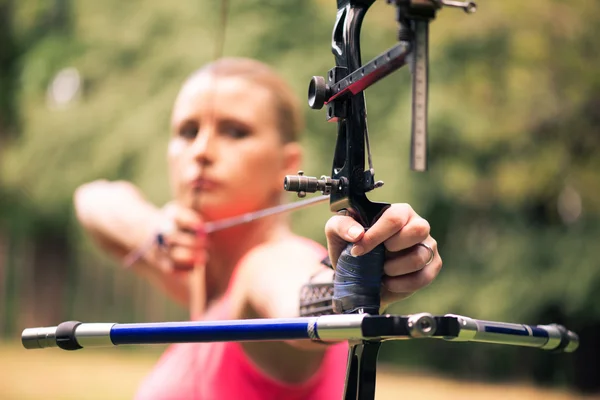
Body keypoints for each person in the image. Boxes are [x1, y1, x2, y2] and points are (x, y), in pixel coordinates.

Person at [73, 57, 442, 400]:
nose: (201, 150)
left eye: (235, 131)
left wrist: (356, 279)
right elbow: (92, 199)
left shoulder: (268, 265)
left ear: (290, 165)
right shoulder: (201, 280)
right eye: (188, 131)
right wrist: (152, 228)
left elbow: (297, 292)